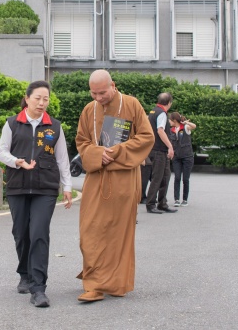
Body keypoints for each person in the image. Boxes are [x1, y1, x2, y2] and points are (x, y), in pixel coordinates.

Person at [74, 70, 154, 302]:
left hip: (124, 179)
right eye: (94, 93)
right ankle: (94, 281)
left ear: (113, 86)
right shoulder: (89, 109)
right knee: (90, 230)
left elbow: (146, 138)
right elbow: (82, 141)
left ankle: (113, 284)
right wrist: (97, 154)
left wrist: (116, 152)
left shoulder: (131, 104)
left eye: (102, 92)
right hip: (96, 177)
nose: (98, 97)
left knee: (118, 232)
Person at [0, 80, 73, 308]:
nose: (42, 103)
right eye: (38, 98)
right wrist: (16, 162)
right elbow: (1, 151)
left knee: (39, 233)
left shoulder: (54, 127)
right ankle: (24, 274)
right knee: (21, 233)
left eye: (46, 99)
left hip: (45, 188)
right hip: (18, 186)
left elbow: (62, 159)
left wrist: (67, 187)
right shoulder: (12, 124)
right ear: (27, 98)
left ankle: (38, 288)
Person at [145, 92, 177, 214]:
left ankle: (162, 203)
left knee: (165, 176)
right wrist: (170, 147)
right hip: (159, 151)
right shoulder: (162, 114)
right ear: (169, 103)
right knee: (157, 177)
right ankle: (151, 204)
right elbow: (160, 131)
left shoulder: (152, 112)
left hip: (153, 149)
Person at [169, 112, 196, 206]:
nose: (169, 121)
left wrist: (186, 123)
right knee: (177, 177)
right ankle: (176, 199)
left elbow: (194, 126)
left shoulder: (184, 128)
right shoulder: (171, 130)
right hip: (176, 157)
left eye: (170, 120)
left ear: (174, 120)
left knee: (185, 179)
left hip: (187, 157)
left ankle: (185, 199)